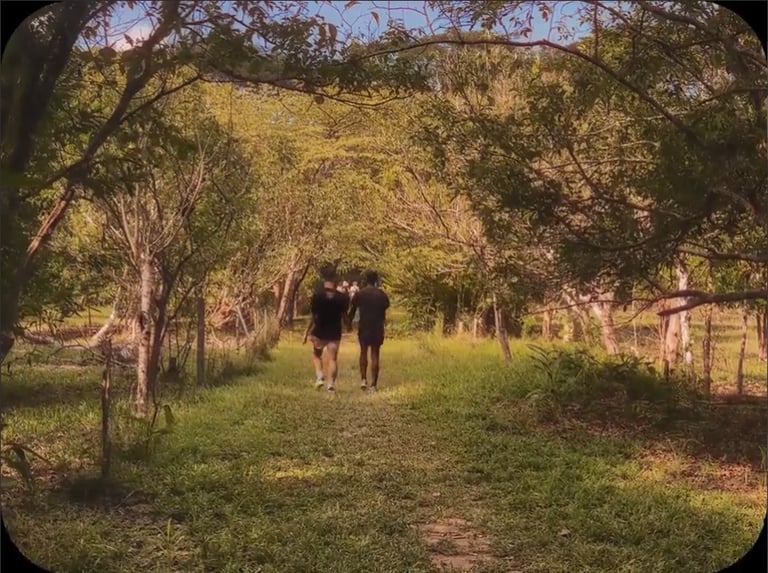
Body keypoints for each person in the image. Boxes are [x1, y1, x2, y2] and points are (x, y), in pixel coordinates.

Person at [303, 264, 350, 392]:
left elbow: (313, 315)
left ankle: (319, 376)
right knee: (333, 359)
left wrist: (307, 331)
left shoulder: (317, 296)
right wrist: (348, 325)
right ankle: (331, 385)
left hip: (319, 330)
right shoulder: (342, 297)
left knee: (316, 355)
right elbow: (344, 315)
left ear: (324, 279)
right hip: (334, 332)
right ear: (336, 280)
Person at [348, 270, 390, 393]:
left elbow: (352, 310)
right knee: (375, 354)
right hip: (377, 326)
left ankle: (363, 379)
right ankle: (373, 385)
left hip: (364, 326)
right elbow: (385, 309)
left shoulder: (360, 294)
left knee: (363, 352)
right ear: (376, 280)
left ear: (365, 280)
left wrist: (348, 323)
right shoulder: (382, 295)